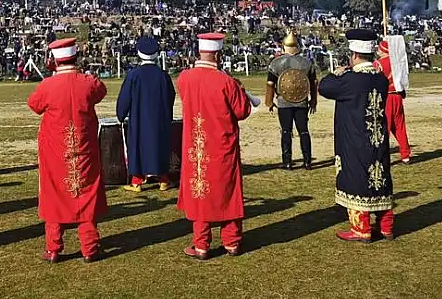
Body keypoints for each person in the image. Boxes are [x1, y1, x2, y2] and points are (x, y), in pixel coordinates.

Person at [27, 38, 107, 263]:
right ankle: (89, 246)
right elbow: (101, 91)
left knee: (54, 194)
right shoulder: (88, 82)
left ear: (54, 60)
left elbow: (34, 105)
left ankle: (53, 247)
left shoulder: (48, 86)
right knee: (86, 192)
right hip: (84, 148)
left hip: (55, 151)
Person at [177, 33, 253, 260]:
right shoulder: (226, 81)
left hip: (197, 145)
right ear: (218, 54)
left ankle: (201, 244)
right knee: (228, 191)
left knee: (200, 190)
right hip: (222, 144)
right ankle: (232, 241)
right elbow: (242, 111)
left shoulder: (184, 78)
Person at [318, 29, 394, 243]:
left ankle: (361, 228)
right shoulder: (380, 78)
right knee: (380, 177)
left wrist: (337, 72)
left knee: (357, 177)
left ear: (353, 55)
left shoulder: (350, 79)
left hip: (355, 136)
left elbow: (324, 87)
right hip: (377, 136)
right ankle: (386, 224)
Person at [116, 36, 176, 192]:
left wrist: (121, 114)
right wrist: (167, 115)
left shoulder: (134, 75)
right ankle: (163, 179)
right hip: (160, 119)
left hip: (139, 118)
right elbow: (171, 97)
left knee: (138, 146)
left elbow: (125, 98)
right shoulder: (163, 76)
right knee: (160, 145)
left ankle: (136, 180)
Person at [264, 32, 317, 170]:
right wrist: (314, 101)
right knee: (304, 131)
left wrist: (269, 102)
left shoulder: (276, 63)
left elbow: (270, 83)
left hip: (284, 102)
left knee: (286, 131)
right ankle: (307, 161)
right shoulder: (306, 63)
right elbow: (313, 83)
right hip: (302, 102)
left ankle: (287, 162)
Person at [374, 40, 410, 164]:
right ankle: (405, 155)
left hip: (387, 97)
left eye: (379, 49)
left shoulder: (378, 63)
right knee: (400, 127)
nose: (377, 51)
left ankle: (382, 156)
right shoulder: (398, 63)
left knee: (385, 127)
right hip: (398, 96)